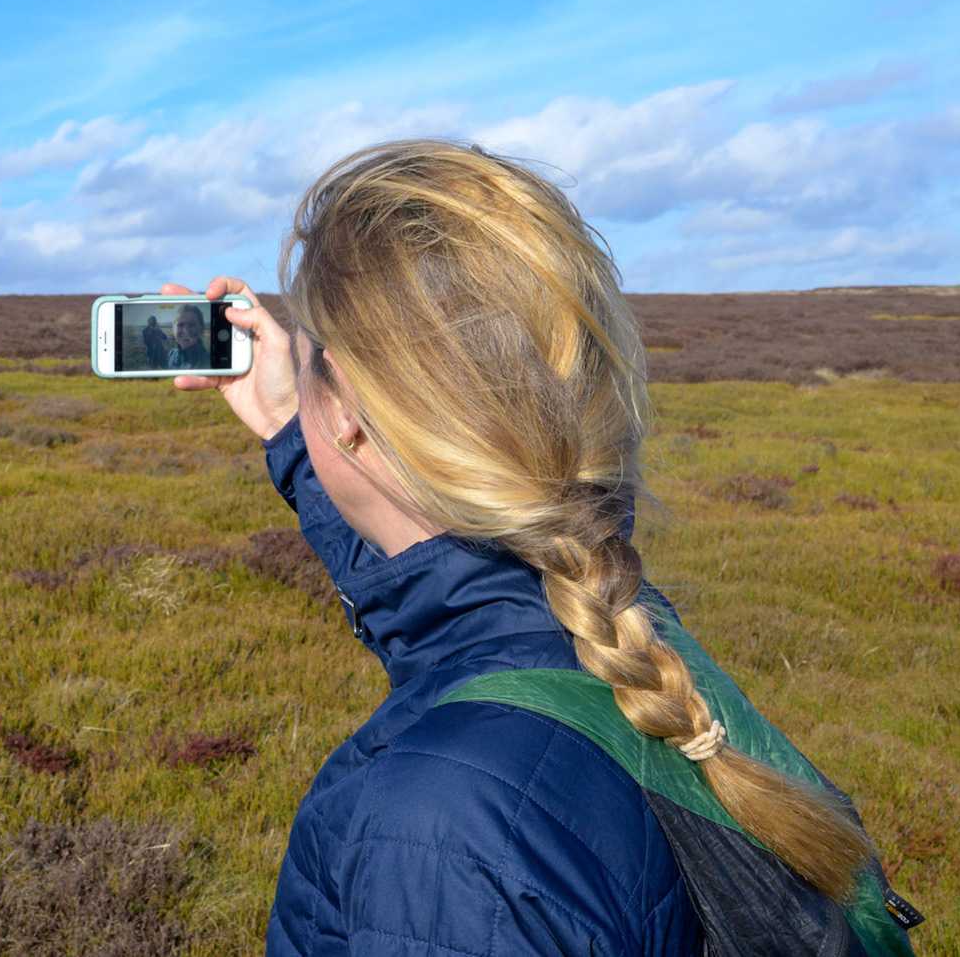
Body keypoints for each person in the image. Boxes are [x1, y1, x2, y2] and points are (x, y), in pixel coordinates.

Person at [167, 140, 916, 957]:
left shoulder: (446, 830)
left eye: (314, 362)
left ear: (347, 409)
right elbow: (459, 608)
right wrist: (292, 423)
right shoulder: (625, 629)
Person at [165, 303, 210, 370]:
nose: (186, 331)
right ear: (173, 329)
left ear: (201, 327)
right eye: (180, 325)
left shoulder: (208, 359)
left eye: (192, 325)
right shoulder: (172, 354)